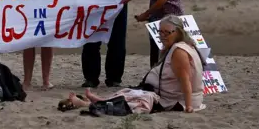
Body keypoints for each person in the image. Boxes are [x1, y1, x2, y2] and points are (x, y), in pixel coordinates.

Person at [67, 15, 205, 113]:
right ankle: (98, 100)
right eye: (160, 32)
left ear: (178, 32)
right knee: (131, 92)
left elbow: (185, 80)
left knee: (139, 99)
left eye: (167, 33)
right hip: (169, 96)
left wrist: (188, 107)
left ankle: (88, 103)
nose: (163, 36)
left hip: (175, 100)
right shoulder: (180, 46)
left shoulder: (179, 52)